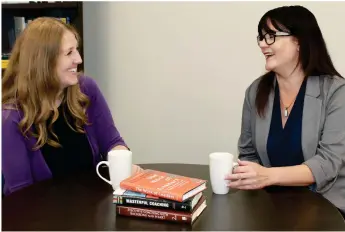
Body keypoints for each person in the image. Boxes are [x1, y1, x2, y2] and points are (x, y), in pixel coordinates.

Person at [225, 5, 345, 218]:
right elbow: (248, 153)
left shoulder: (336, 92)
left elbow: (328, 164)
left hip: (327, 209)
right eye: (261, 37)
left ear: (298, 41)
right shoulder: (255, 91)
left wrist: (268, 176)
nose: (262, 44)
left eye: (271, 36)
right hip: (272, 207)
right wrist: (253, 177)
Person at [2, 17, 142, 195]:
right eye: (69, 53)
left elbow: (112, 142)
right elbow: (20, 195)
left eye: (77, 50)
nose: (79, 59)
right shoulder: (10, 118)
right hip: (41, 217)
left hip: (92, 209)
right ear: (44, 62)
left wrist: (123, 162)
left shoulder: (86, 89)